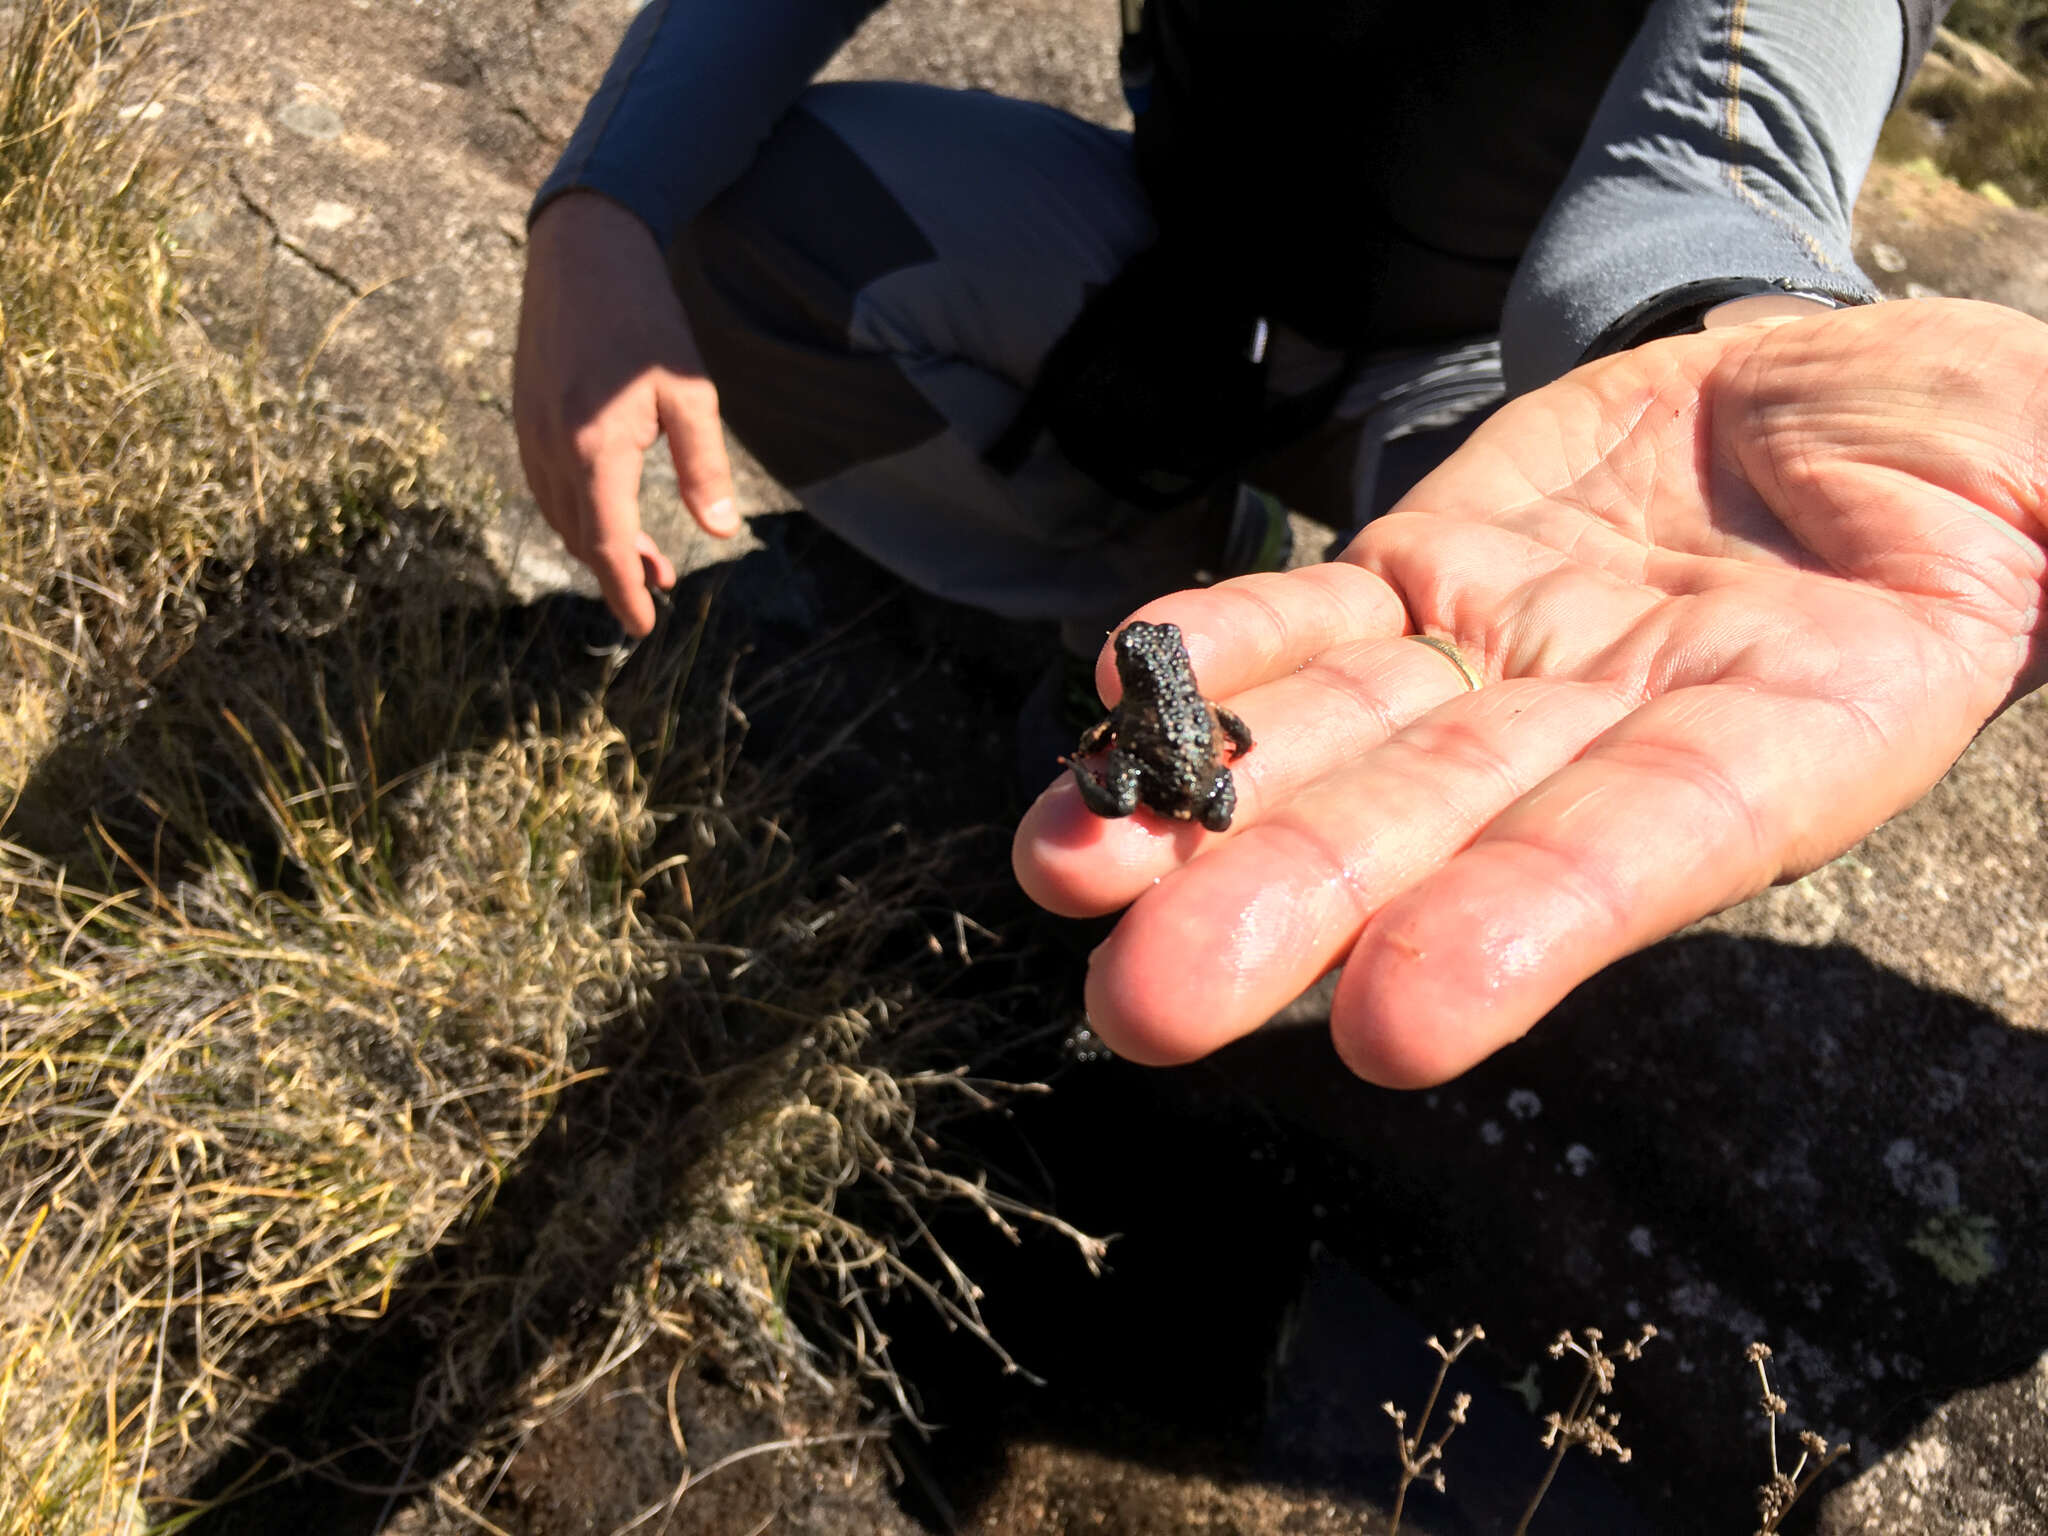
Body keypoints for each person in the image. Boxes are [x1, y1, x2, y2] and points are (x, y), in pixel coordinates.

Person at [514, 0, 2048, 1089]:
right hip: (1175, 253)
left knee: (1536, 674)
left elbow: (1729, 145)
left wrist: (1733, 334)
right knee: (752, 226)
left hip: (1527, 397)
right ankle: (1161, 566)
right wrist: (605, 201)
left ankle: (1225, 615)